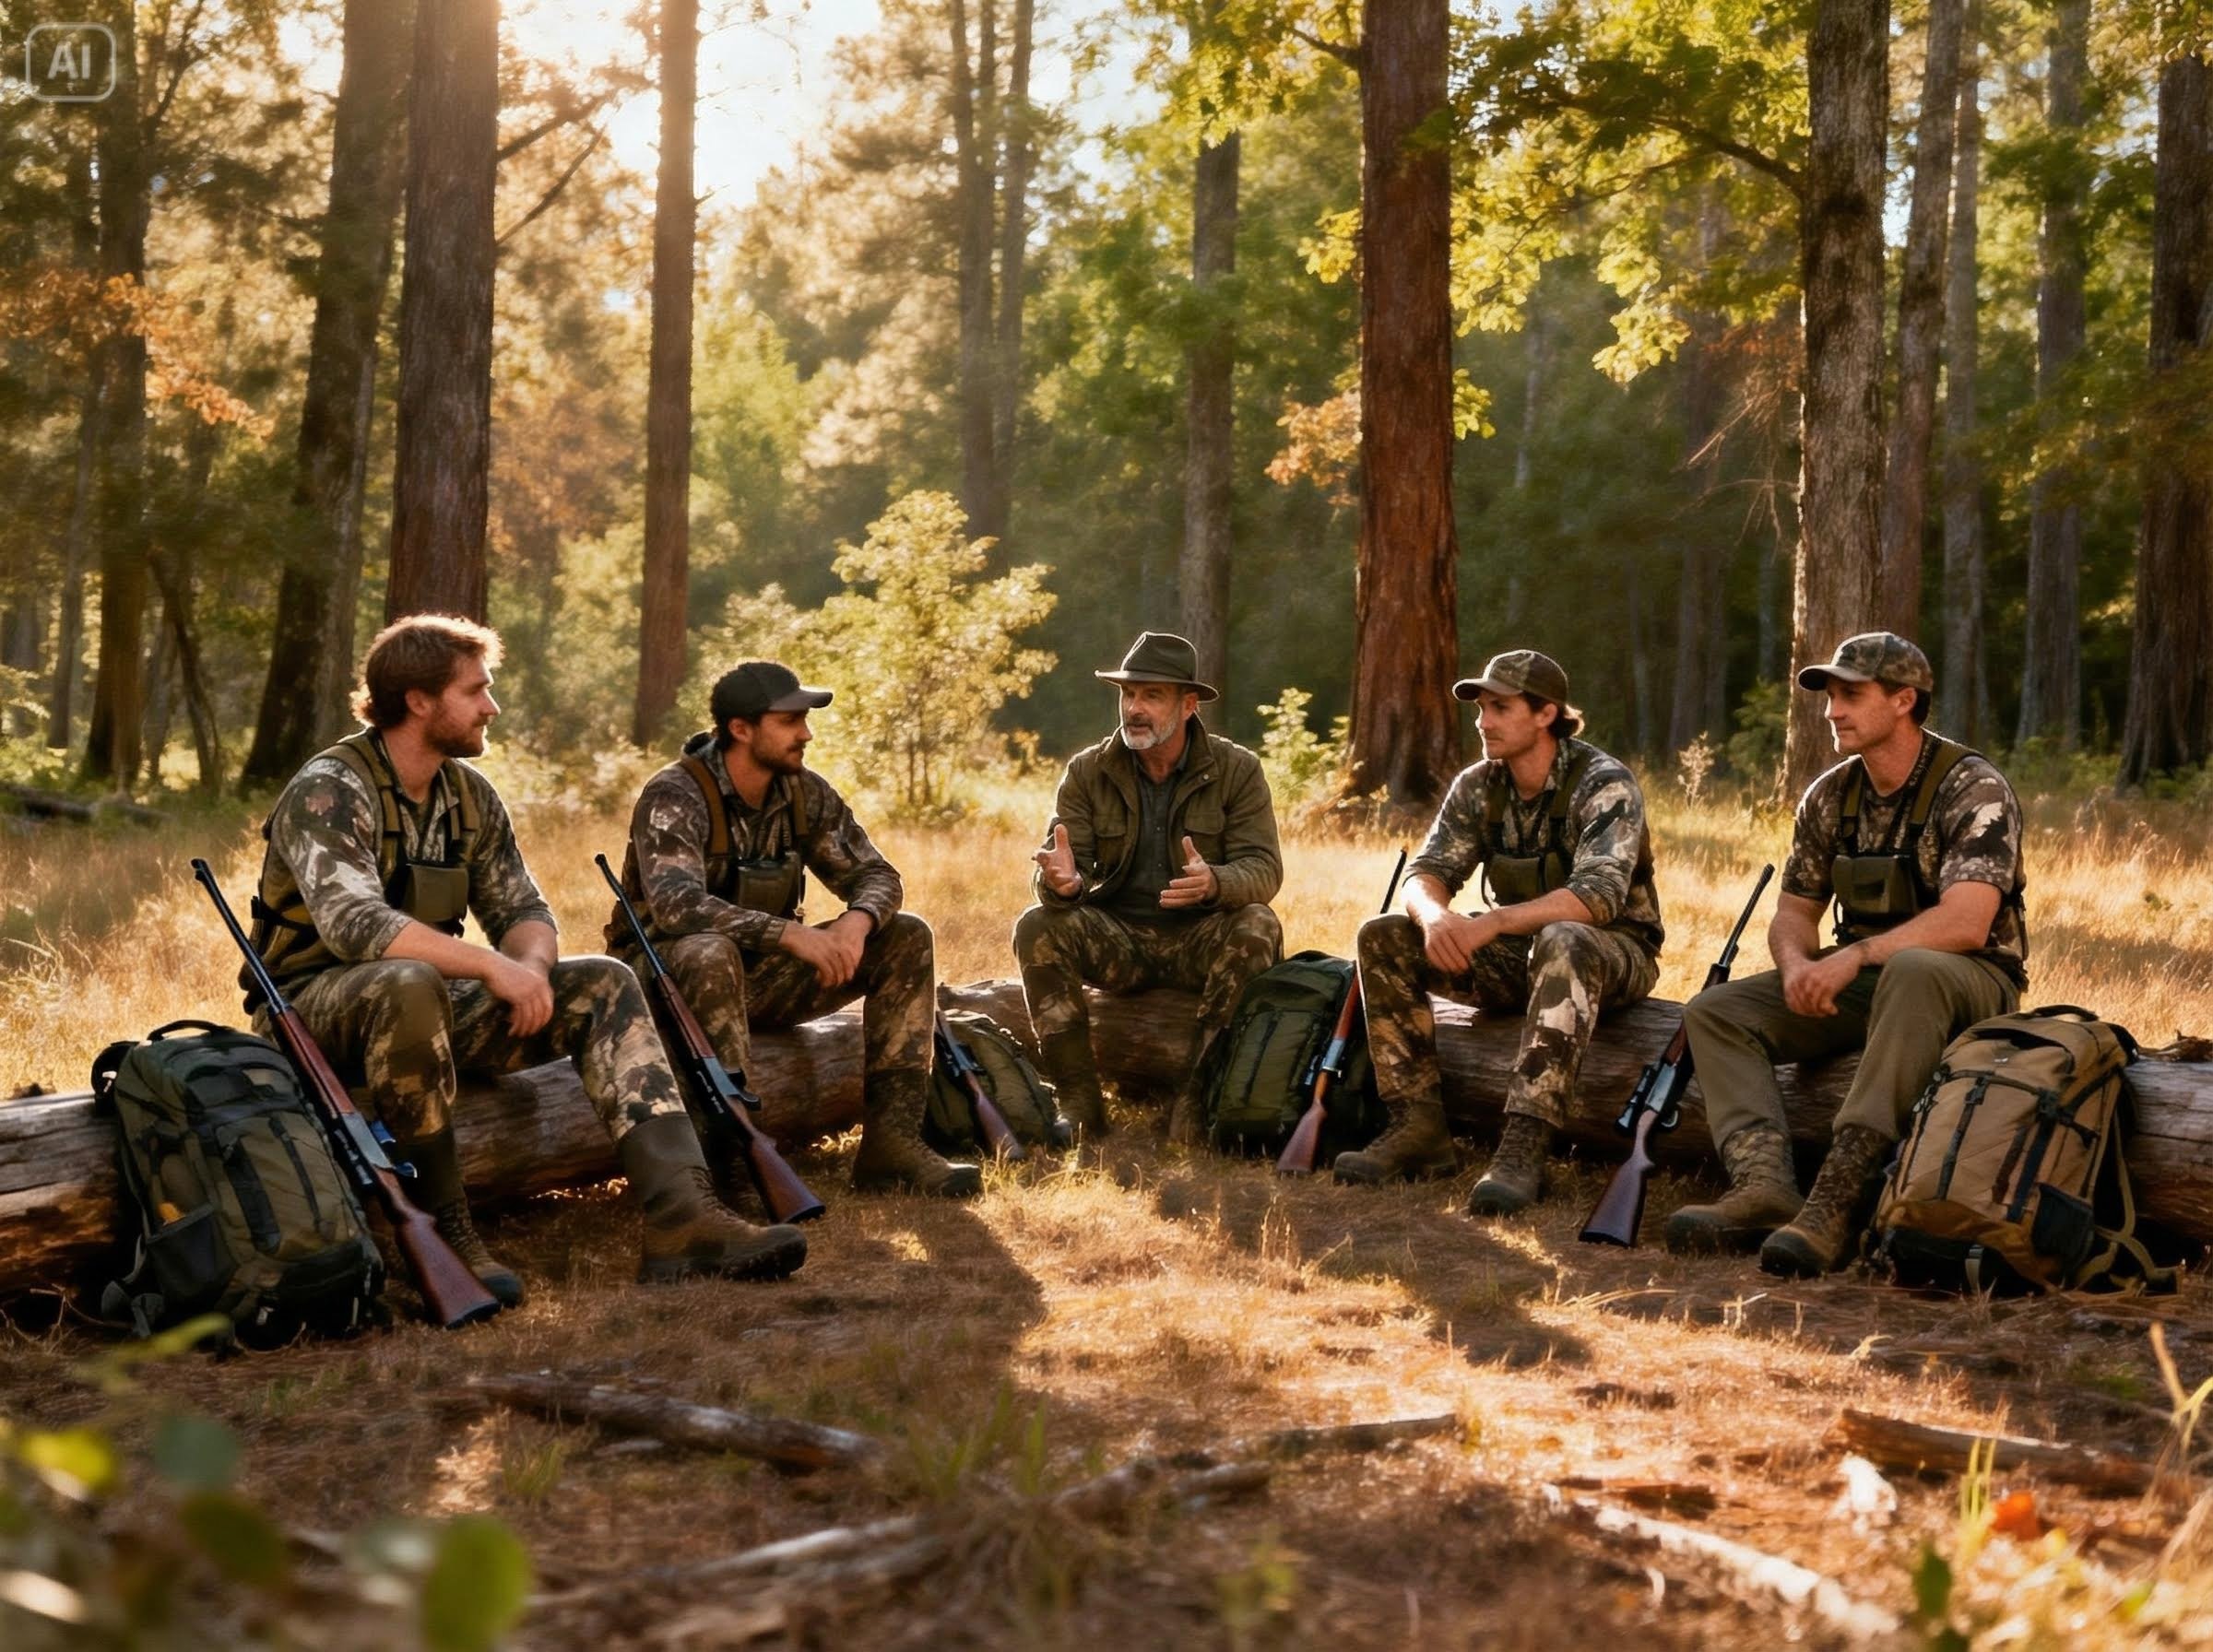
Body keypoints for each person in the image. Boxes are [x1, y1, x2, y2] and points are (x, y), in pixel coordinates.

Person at [244, 616, 806, 1301]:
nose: (492, 706)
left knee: (603, 981)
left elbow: (523, 912)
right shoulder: (330, 789)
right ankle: (439, 1230)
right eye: (476, 691)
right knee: (405, 980)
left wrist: (531, 971)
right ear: (419, 701)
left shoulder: (468, 796)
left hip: (423, 999)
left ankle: (686, 1220)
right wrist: (490, 968)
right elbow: (356, 924)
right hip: (311, 1018)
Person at [1666, 631, 2028, 1275]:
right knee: (1716, 1011)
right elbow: (1794, 913)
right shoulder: (1830, 795)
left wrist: (1855, 957)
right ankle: (1763, 1185)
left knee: (1914, 968)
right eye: (1830, 696)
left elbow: (1969, 923)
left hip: (1968, 981)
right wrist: (1800, 966)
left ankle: (1839, 1199)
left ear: (1904, 700)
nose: (1832, 710)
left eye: (1851, 695)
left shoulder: (1973, 786)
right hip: (1866, 980)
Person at [611, 660, 979, 1198]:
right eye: (789, 721)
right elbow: (677, 907)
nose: (806, 733)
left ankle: (893, 1146)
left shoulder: (802, 792)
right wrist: (790, 935)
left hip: (760, 979)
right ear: (741, 729)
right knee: (708, 951)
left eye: (804, 719)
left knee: (905, 935)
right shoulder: (675, 794)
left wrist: (856, 923)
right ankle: (732, 1164)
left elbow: (877, 874)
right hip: (668, 987)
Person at [1336, 649, 1664, 1214]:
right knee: (1384, 935)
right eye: (1482, 708)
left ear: (1546, 714)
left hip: (1613, 954)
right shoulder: (1479, 785)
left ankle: (1523, 1147)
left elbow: (1599, 897)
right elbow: (1426, 873)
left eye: (1500, 708)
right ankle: (1417, 1126)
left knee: (1566, 937)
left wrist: (1489, 923)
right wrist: (1436, 917)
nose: (1483, 721)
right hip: (1518, 955)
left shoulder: (1605, 783)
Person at [1013, 631, 1284, 1139]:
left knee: (1258, 924)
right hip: (1120, 939)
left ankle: (1197, 1099)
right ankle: (1078, 1101)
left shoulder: (1237, 770)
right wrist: (1064, 885)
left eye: (1151, 695)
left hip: (1198, 939)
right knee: (1036, 925)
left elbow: (1265, 868)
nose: (1133, 708)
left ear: (1187, 705)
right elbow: (1062, 864)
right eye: (1127, 694)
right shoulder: (1088, 771)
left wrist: (1215, 883)